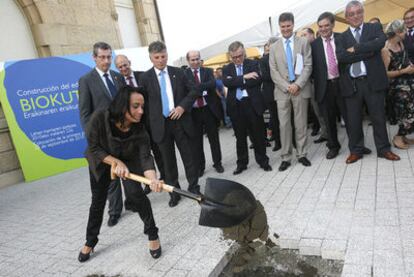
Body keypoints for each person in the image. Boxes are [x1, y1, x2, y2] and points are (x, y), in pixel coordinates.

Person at [78, 86, 163, 263]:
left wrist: (153, 179)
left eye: (142, 106)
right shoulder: (100, 117)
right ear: (123, 105)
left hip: (128, 160)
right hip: (101, 160)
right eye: (136, 106)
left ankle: (153, 234)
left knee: (137, 196)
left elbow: (145, 156)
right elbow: (93, 147)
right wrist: (115, 162)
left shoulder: (139, 128)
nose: (141, 111)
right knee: (98, 202)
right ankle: (90, 241)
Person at [336, 0, 400, 163]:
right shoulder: (341, 37)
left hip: (373, 82)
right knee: (354, 120)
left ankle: (384, 149)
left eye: (358, 12)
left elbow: (378, 44)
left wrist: (356, 49)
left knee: (378, 117)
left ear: (363, 13)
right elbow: (342, 57)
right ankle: (356, 151)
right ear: (347, 17)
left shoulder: (374, 28)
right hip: (352, 84)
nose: (355, 16)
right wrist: (368, 51)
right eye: (351, 14)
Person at [140, 41, 201, 208]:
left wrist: (182, 106)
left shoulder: (179, 73)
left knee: (188, 157)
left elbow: (195, 90)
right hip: (160, 126)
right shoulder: (145, 78)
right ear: (151, 58)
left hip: (180, 121)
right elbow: (142, 103)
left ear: (167, 55)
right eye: (157, 57)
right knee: (168, 162)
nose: (161, 60)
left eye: (163, 56)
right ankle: (174, 192)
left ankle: (194, 187)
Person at [78, 42, 125, 227]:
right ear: (94, 58)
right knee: (111, 174)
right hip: (103, 137)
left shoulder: (117, 77)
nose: (106, 61)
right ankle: (114, 211)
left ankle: (133, 201)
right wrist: (93, 139)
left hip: (123, 134)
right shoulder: (86, 80)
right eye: (102, 57)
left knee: (127, 169)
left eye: (109, 57)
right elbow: (84, 114)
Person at [115, 54, 165, 194]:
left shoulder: (143, 76)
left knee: (158, 151)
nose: (124, 68)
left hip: (150, 121)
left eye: (125, 65)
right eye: (120, 67)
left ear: (129, 62)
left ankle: (164, 178)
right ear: (117, 68)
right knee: (142, 155)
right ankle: (148, 183)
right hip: (135, 126)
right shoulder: (117, 83)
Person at [269, 12, 313, 171]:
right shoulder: (274, 47)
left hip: (300, 89)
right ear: (279, 27)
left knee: (301, 124)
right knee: (284, 126)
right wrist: (287, 86)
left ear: (293, 25)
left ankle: (302, 154)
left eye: (288, 26)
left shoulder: (303, 42)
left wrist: (298, 84)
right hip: (282, 92)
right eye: (283, 27)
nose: (286, 29)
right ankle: (286, 157)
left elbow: (308, 65)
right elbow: (273, 71)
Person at [222, 41, 272, 175]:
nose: (238, 59)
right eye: (234, 57)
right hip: (236, 107)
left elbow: (257, 79)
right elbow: (227, 82)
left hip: (252, 104)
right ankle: (242, 163)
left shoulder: (253, 63)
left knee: (258, 135)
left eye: (240, 56)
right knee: (240, 137)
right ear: (230, 57)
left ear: (244, 53)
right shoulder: (227, 68)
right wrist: (244, 77)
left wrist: (236, 80)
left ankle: (263, 161)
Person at [311, 12, 347, 159]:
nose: (323, 29)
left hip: (343, 84)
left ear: (332, 24)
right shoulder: (313, 46)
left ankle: (357, 145)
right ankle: (333, 146)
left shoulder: (342, 38)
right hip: (324, 87)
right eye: (320, 26)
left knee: (351, 117)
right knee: (329, 119)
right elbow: (311, 67)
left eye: (326, 25)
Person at [184, 50, 224, 176]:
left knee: (214, 139)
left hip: (208, 110)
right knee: (196, 142)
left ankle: (217, 163)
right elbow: (186, 88)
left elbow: (212, 84)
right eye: (193, 59)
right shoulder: (184, 74)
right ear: (188, 61)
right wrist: (202, 87)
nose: (196, 62)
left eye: (197, 59)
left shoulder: (207, 71)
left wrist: (196, 88)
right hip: (194, 112)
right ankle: (200, 167)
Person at [382, 19, 414, 149]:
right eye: (404, 30)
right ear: (397, 32)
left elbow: (404, 60)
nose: (406, 32)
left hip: (408, 81)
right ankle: (398, 137)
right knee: (405, 111)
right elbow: (385, 73)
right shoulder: (385, 49)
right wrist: (403, 71)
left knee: (410, 110)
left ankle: (404, 135)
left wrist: (410, 66)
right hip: (396, 86)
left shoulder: (401, 43)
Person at [300, 27, 328, 144]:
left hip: (323, 83)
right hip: (311, 84)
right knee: (317, 111)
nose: (303, 38)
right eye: (301, 36)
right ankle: (325, 133)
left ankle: (330, 134)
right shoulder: (303, 51)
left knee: (326, 110)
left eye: (305, 34)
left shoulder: (319, 46)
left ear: (312, 35)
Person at [259, 37, 281, 152]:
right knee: (275, 119)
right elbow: (265, 77)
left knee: (286, 118)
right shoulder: (263, 60)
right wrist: (280, 76)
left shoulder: (283, 56)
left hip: (284, 92)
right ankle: (278, 142)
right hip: (270, 93)